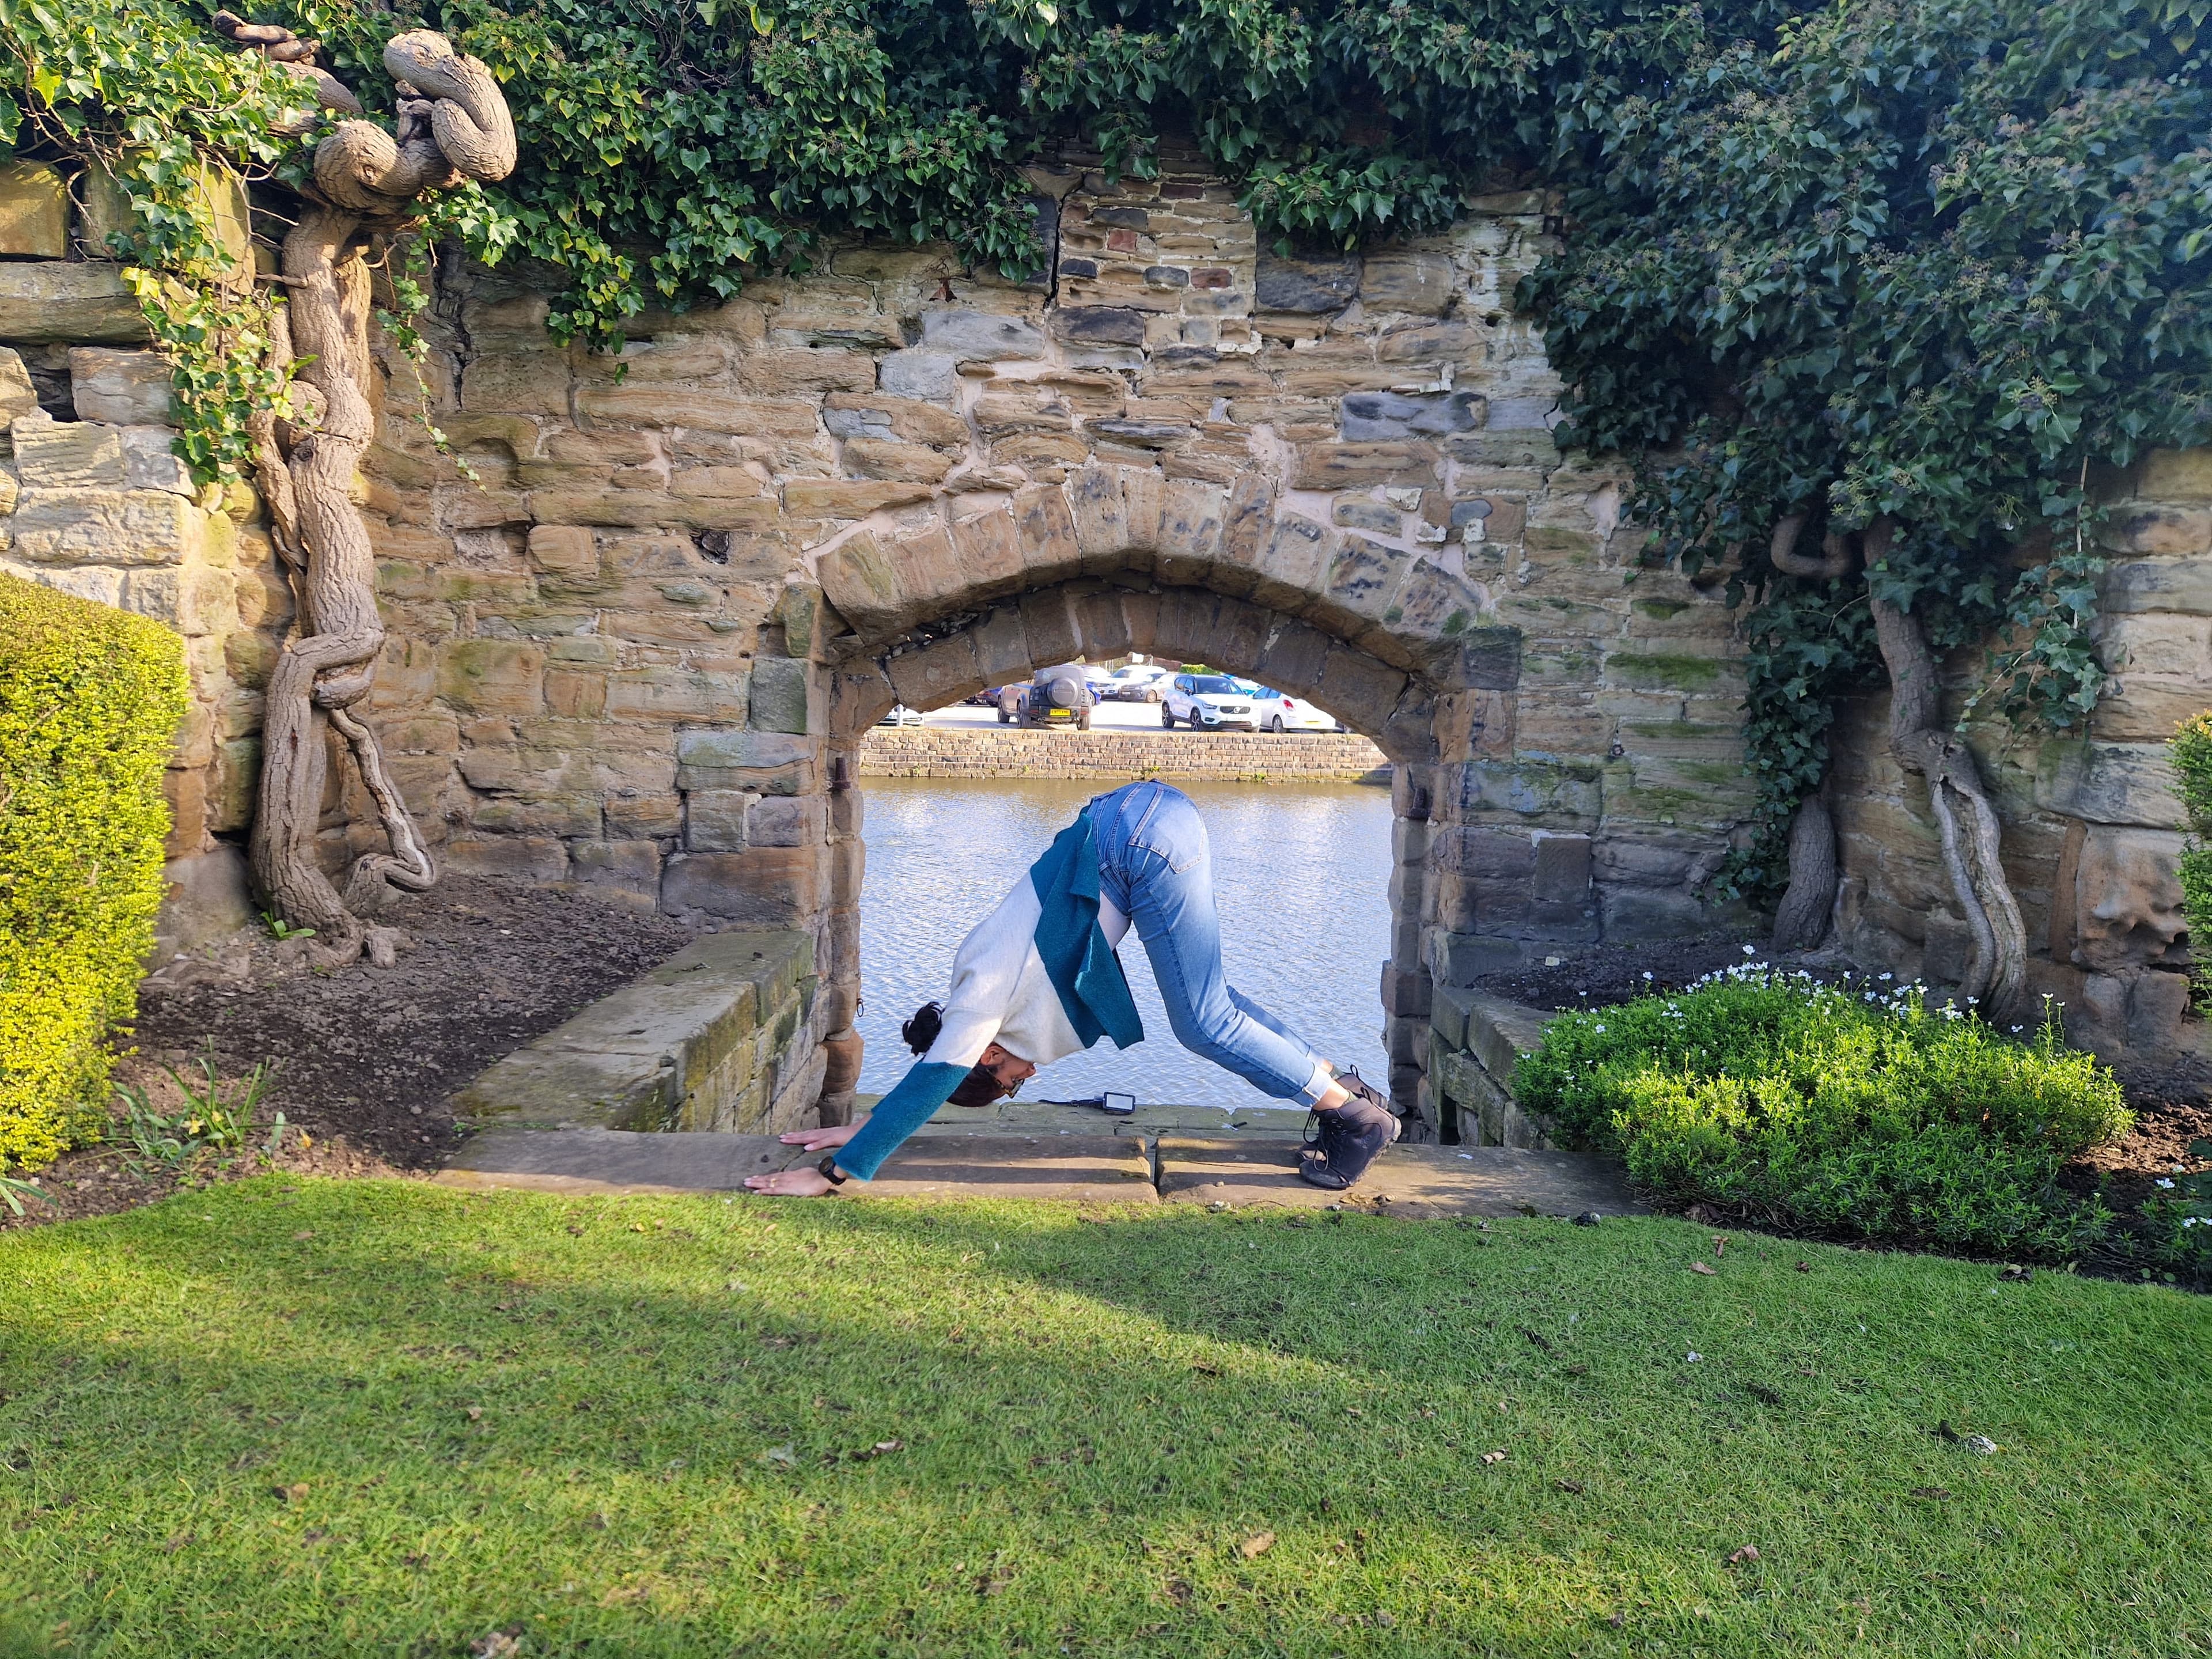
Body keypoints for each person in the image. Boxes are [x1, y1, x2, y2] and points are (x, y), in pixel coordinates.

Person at [744, 779, 1399, 1197]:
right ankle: (1345, 1090)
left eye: (1014, 1082)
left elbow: (934, 1078)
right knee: (1214, 1007)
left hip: (1136, 843)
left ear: (989, 1055)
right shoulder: (980, 987)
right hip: (1141, 817)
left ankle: (1355, 1119)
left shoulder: (979, 999)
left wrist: (841, 1169)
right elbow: (941, 1077)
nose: (1029, 1075)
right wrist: (862, 1125)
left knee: (1202, 1023)